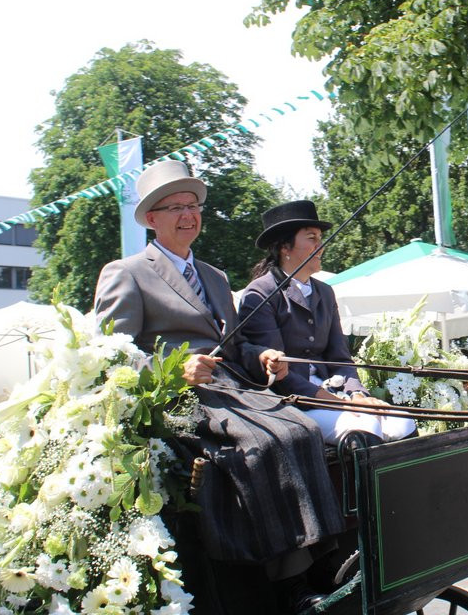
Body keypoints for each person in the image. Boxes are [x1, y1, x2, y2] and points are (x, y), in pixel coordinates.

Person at [93, 161, 341, 612]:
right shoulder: (126, 272)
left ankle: (319, 559)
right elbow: (110, 356)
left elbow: (236, 342)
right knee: (270, 441)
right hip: (179, 400)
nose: (189, 215)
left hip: (233, 387)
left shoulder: (214, 276)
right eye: (176, 208)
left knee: (303, 429)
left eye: (194, 206)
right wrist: (174, 369)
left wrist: (262, 357)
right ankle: (287, 582)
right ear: (152, 218)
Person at [239, 200, 415, 444]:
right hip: (292, 403)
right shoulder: (260, 293)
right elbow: (279, 373)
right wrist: (334, 402)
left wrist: (357, 394)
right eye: (312, 238)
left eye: (320, 238)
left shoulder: (325, 292)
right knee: (363, 426)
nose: (321, 246)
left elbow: (340, 357)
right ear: (284, 247)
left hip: (335, 393)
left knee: (402, 422)